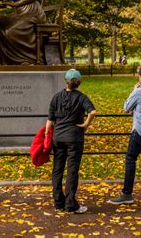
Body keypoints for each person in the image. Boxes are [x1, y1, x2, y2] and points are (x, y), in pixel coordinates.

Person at [45, 69, 96, 213]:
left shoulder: (56, 97)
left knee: (57, 170)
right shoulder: (81, 98)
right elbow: (92, 112)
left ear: (66, 82)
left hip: (58, 138)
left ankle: (58, 202)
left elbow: (50, 120)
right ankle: (70, 204)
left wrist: (46, 135)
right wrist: (85, 125)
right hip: (74, 138)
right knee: (72, 171)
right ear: (79, 82)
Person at [108, 64, 141, 205]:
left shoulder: (139, 91)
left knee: (130, 159)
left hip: (139, 131)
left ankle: (127, 194)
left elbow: (126, 108)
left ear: (139, 75)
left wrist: (133, 91)